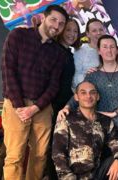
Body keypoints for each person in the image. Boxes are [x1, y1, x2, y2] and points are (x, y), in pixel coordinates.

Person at [0, 4, 68, 180]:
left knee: (39, 157)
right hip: (16, 104)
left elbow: (54, 86)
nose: (56, 26)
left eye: (61, 24)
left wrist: (35, 108)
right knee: (15, 156)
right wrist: (20, 107)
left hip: (42, 108)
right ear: (43, 17)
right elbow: (8, 70)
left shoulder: (58, 53)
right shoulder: (18, 36)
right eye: (53, 19)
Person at [58, 35, 118, 179]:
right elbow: (81, 92)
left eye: (112, 46)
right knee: (108, 165)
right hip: (103, 127)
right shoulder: (94, 74)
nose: (109, 50)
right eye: (105, 47)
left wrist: (116, 113)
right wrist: (67, 107)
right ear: (99, 51)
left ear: (116, 50)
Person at [52, 81, 118, 179]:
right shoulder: (67, 119)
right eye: (83, 93)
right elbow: (58, 153)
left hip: (97, 173)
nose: (88, 96)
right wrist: (68, 177)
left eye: (92, 92)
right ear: (76, 97)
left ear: (98, 96)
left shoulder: (105, 121)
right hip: (74, 176)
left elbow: (116, 143)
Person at [46, 18, 81, 180]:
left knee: (62, 146)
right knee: (53, 147)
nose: (72, 34)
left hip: (65, 104)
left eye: (75, 31)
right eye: (68, 30)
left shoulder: (68, 52)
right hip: (53, 104)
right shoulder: (54, 49)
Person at [72, 18, 105, 88]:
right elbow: (74, 79)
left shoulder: (111, 49)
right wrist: (87, 77)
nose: (99, 33)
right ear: (87, 34)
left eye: (101, 30)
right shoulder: (80, 52)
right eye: (94, 31)